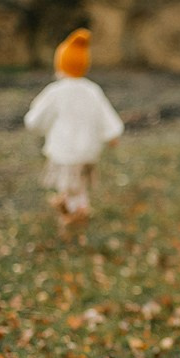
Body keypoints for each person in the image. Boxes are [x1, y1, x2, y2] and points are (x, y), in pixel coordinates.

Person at [24, 28, 124, 225]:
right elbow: (107, 116)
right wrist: (112, 135)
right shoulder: (92, 90)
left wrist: (37, 127)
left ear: (60, 65)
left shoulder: (55, 92)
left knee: (71, 188)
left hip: (65, 152)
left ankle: (74, 218)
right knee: (78, 186)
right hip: (88, 151)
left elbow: (34, 119)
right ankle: (74, 211)